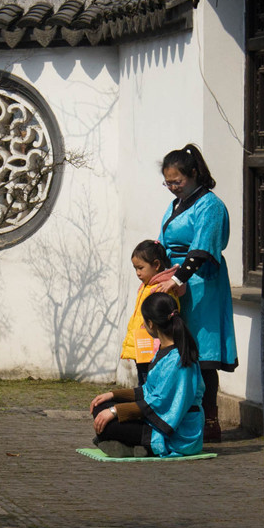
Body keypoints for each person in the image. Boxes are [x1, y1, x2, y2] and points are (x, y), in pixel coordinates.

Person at [153, 144, 238, 442]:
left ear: (193, 174)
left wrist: (180, 276)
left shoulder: (210, 206)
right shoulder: (177, 204)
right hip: (175, 280)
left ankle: (209, 420)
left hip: (202, 283)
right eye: (168, 183)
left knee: (202, 352)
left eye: (177, 182)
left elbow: (201, 247)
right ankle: (180, 413)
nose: (173, 188)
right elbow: (165, 238)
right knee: (177, 348)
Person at [90, 292, 205, 458]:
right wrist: (112, 395)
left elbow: (159, 403)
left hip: (178, 432)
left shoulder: (177, 360)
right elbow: (148, 390)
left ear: (151, 324)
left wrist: (115, 411)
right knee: (100, 407)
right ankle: (130, 445)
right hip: (156, 417)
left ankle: (139, 446)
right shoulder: (165, 352)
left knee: (110, 425)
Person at [120, 240, 183, 386]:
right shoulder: (146, 286)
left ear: (156, 265)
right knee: (144, 385)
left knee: (150, 387)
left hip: (153, 351)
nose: (138, 273)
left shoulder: (161, 289)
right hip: (142, 349)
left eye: (141, 268)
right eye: (135, 268)